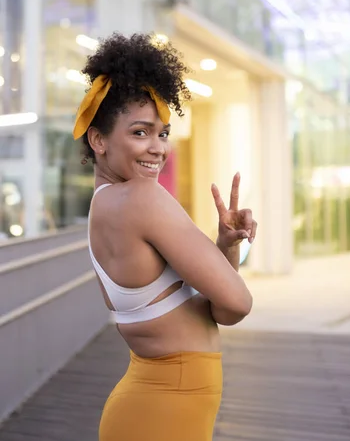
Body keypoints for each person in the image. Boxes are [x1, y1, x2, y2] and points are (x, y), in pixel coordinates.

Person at [72, 32, 256, 441]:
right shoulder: (141, 197)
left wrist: (226, 245)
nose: (157, 148)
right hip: (165, 409)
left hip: (155, 406)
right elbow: (236, 304)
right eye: (140, 132)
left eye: (163, 133)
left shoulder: (105, 204)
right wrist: (224, 255)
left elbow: (219, 311)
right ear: (98, 140)